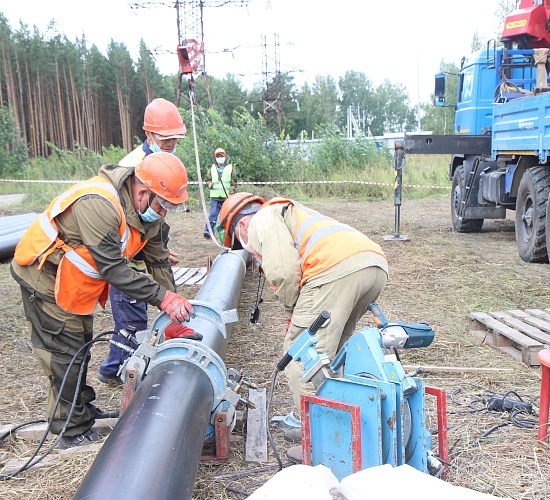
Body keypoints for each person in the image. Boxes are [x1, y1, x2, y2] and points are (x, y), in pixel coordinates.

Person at [11, 152, 196, 449]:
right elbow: (114, 269)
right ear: (143, 191)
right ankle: (71, 429)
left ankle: (79, 409)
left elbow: (159, 262)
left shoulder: (149, 212)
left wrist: (173, 315)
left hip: (74, 282)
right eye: (163, 205)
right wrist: (162, 299)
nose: (164, 213)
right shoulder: (98, 204)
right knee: (65, 352)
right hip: (44, 276)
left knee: (79, 346)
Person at [218, 193, 389, 463]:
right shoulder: (291, 213)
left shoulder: (262, 218)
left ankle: (324, 444)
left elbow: (285, 271)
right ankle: (342, 426)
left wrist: (292, 310)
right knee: (328, 356)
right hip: (372, 266)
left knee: (302, 358)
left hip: (334, 270)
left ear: (240, 226)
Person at [97, 98, 187, 386]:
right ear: (149, 135)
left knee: (137, 316)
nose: (172, 143)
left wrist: (158, 248)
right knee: (131, 321)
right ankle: (120, 372)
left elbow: (158, 216)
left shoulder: (166, 163)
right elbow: (117, 229)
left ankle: (117, 368)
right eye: (166, 138)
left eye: (176, 138)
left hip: (141, 250)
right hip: (124, 259)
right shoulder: (132, 167)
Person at [203, 147, 237, 239]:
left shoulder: (230, 168)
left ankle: (228, 234)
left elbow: (233, 183)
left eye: (221, 155)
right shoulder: (212, 168)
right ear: (215, 157)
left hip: (226, 198)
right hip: (215, 197)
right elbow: (207, 179)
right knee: (212, 216)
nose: (220, 157)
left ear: (225, 156)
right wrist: (209, 184)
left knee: (227, 217)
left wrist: (231, 193)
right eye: (218, 156)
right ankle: (208, 232)